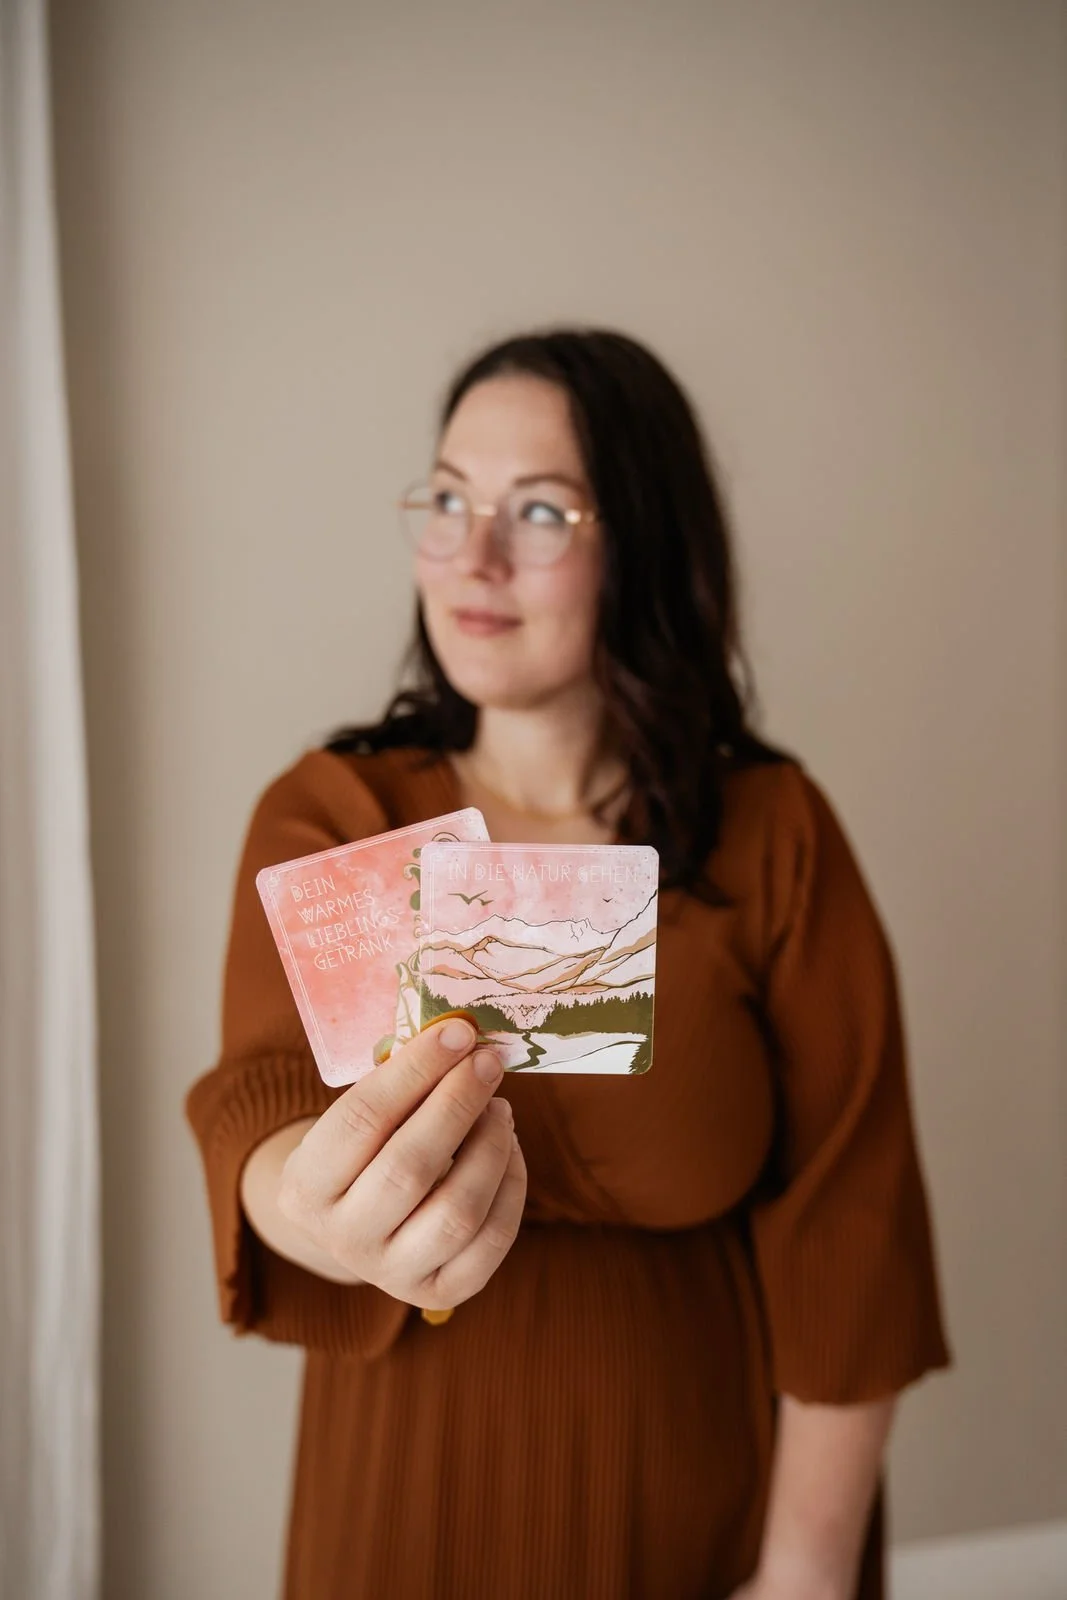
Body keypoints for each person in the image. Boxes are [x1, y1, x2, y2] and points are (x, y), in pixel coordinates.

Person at [186, 327, 951, 1600]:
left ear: (641, 541)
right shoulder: (336, 813)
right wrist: (300, 1205)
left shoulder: (772, 836)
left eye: (538, 510)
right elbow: (260, 1102)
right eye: (447, 498)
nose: (472, 554)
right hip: (404, 1512)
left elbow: (851, 1230)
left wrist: (802, 1574)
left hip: (710, 1516)